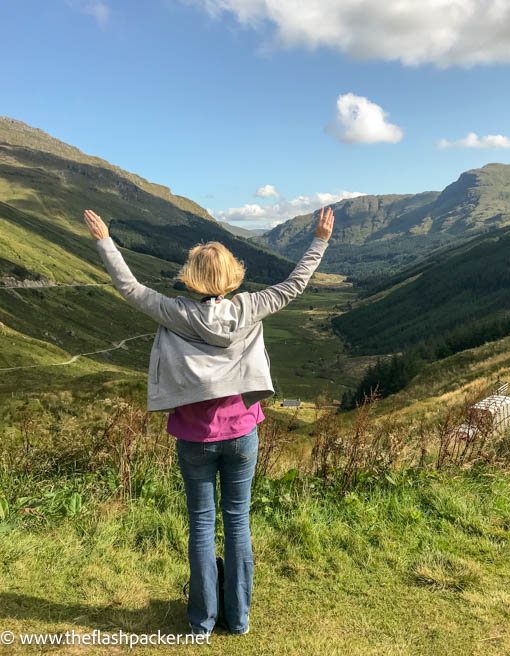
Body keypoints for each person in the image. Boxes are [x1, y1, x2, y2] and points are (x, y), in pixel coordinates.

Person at [83, 207, 335, 637]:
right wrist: (319, 240)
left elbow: (128, 287)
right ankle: (237, 619)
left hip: (193, 438)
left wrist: (105, 240)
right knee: (238, 521)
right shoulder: (250, 307)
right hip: (242, 434)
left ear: (192, 277)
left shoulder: (175, 313)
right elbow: (295, 284)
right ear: (232, 276)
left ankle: (201, 622)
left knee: (201, 522)